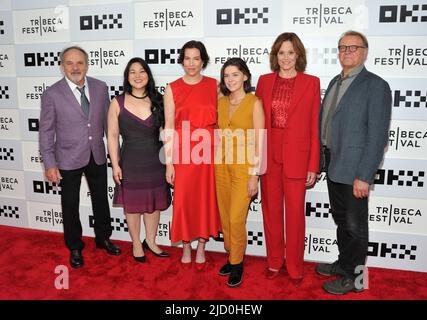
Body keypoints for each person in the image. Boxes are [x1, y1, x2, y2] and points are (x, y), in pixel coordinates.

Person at [316, 30, 392, 295]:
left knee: (356, 226)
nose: (347, 52)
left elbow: (378, 135)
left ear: (365, 52)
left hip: (355, 168)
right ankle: (345, 264)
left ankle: (356, 279)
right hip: (333, 163)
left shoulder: (376, 85)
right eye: (342, 48)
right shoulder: (336, 82)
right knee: (342, 221)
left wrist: (364, 175)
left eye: (353, 47)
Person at [39, 46, 121, 269]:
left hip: (96, 153)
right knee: (70, 204)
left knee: (101, 200)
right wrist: (49, 163)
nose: (75, 67)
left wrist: (115, 156)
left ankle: (103, 238)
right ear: (62, 66)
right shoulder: (52, 94)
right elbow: (46, 131)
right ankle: (74, 246)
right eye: (69, 63)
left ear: (87, 64)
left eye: (80, 63)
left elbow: (108, 124)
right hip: (67, 158)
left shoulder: (100, 87)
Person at [255, 33, 321, 285]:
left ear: (298, 55)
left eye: (290, 53)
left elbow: (314, 127)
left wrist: (313, 165)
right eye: (281, 53)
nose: (285, 58)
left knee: (295, 215)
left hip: (298, 158)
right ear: (275, 55)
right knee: (271, 212)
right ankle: (273, 260)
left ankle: (294, 264)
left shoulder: (311, 83)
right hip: (269, 156)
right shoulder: (264, 81)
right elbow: (257, 125)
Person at [163, 40, 221, 270]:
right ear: (181, 60)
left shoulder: (215, 85)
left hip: (209, 153)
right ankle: (186, 245)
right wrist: (169, 163)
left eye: (196, 58)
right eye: (187, 58)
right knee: (185, 201)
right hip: (184, 152)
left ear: (203, 61)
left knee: (207, 199)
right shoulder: (172, 87)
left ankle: (201, 246)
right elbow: (168, 126)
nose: (191, 63)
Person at [107, 57, 171, 263]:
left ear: (148, 75)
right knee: (132, 206)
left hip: (155, 161)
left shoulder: (159, 100)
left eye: (142, 71)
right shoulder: (117, 102)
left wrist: (171, 162)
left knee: (153, 204)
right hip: (130, 162)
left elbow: (166, 135)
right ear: (127, 76)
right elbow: (113, 136)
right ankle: (136, 243)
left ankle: (151, 241)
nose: (137, 76)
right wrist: (115, 165)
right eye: (132, 72)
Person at [215, 58, 265, 287]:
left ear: (245, 76)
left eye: (235, 74)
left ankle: (237, 263)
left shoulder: (254, 103)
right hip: (221, 166)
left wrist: (255, 175)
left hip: (244, 170)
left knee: (236, 218)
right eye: (227, 75)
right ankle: (231, 254)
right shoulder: (221, 101)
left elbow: (260, 142)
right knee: (225, 217)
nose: (231, 79)